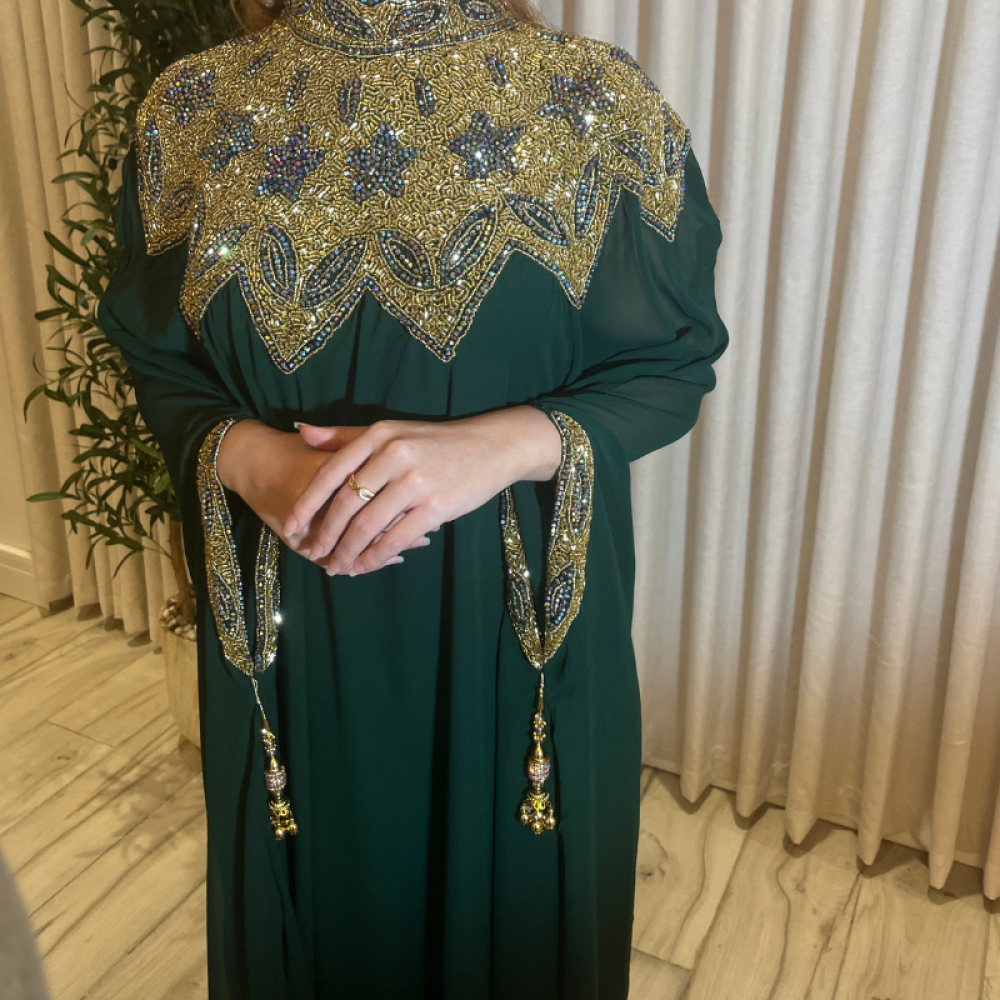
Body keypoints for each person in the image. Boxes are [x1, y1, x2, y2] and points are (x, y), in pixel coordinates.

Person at [97, 0, 729, 995]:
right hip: (293, 624)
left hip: (509, 630)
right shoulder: (192, 110)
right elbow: (158, 360)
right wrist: (251, 459)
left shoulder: (595, 103)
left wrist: (498, 445)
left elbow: (671, 362)